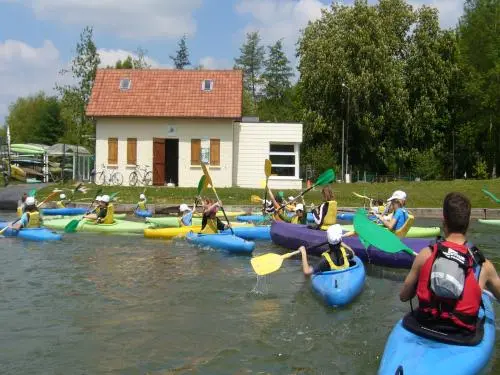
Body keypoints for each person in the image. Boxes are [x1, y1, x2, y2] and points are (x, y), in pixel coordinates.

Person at [400, 192, 500, 335]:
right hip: (462, 335)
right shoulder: (483, 266)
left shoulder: (425, 254)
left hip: (426, 325)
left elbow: (404, 296)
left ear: (444, 220)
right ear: (468, 222)